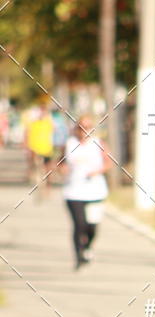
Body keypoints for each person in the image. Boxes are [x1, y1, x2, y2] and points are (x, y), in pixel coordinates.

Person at [60, 116, 112, 268]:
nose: (84, 131)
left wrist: (97, 171)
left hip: (95, 191)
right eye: (81, 127)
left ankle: (88, 246)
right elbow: (60, 162)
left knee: (92, 226)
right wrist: (62, 170)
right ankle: (78, 255)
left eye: (88, 127)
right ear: (76, 129)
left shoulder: (98, 144)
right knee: (79, 224)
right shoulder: (69, 144)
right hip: (73, 192)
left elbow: (108, 163)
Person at [25, 103, 54, 194]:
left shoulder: (48, 123)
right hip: (36, 149)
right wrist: (29, 147)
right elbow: (28, 134)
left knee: (48, 169)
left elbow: (54, 133)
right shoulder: (33, 124)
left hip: (47, 149)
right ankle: (34, 179)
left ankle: (48, 186)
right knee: (35, 166)